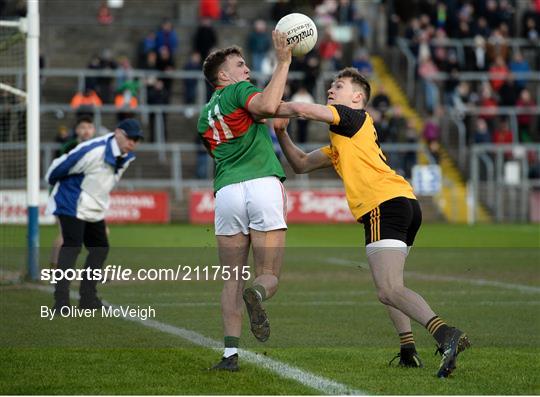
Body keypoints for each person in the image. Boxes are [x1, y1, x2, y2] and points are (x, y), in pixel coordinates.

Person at [273, 67, 470, 378]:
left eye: (338, 85)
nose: (330, 90)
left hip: (384, 205)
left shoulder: (352, 117)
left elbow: (299, 108)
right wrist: (281, 133)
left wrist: (266, 106)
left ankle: (446, 334)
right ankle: (408, 350)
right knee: (392, 286)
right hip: (401, 203)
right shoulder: (345, 138)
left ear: (357, 97)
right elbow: (299, 163)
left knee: (388, 290)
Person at [197, 32, 292, 371]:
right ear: (223, 76)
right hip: (261, 185)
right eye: (240, 65)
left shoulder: (204, 116)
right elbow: (266, 106)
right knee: (268, 275)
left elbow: (224, 147)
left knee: (230, 279)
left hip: (226, 194)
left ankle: (229, 355)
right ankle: (259, 294)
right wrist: (283, 62)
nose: (248, 70)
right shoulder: (238, 90)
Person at [45, 119, 143, 310]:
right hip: (72, 202)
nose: (132, 142)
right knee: (71, 248)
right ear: (118, 133)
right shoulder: (94, 150)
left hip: (94, 205)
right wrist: (61, 191)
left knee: (99, 248)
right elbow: (56, 170)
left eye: (136, 139)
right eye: (129, 137)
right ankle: (61, 301)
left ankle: (88, 298)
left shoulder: (127, 156)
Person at [49, 116, 97, 268]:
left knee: (100, 232)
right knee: (66, 234)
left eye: (89, 127)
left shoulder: (97, 148)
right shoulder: (69, 148)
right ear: (77, 130)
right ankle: (55, 266)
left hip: (85, 196)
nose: (86, 131)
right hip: (65, 195)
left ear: (93, 130)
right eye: (83, 127)